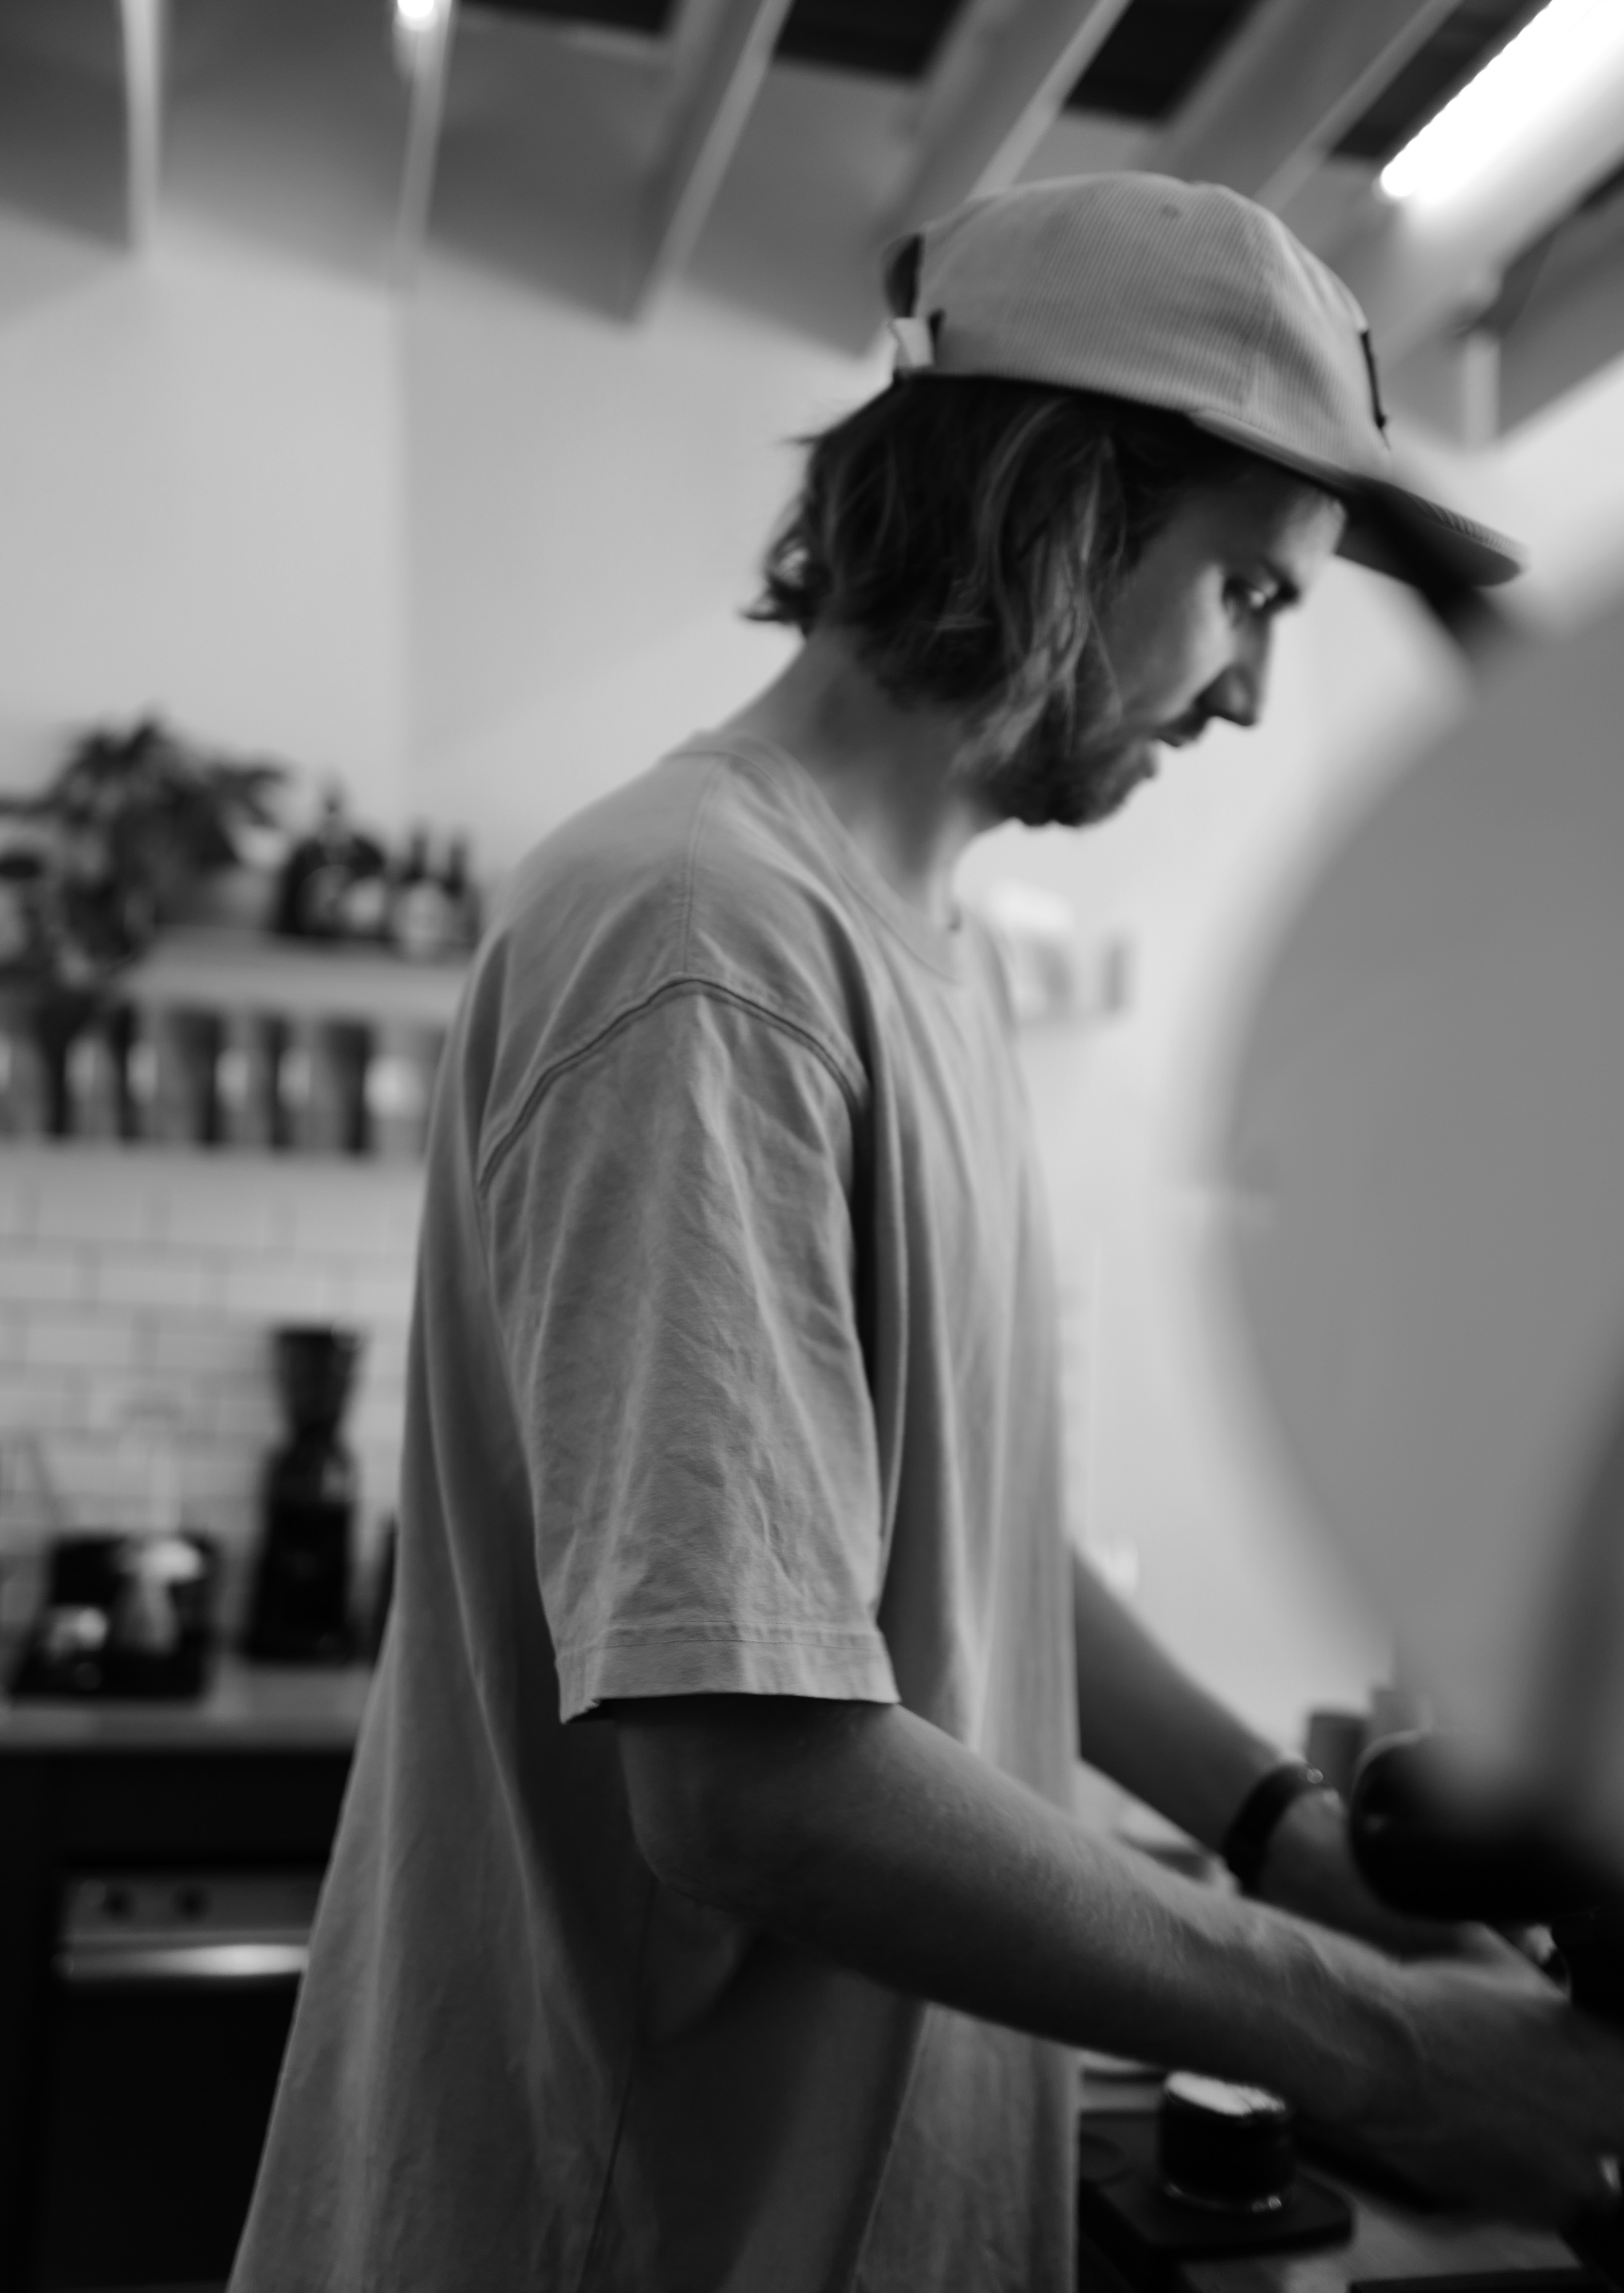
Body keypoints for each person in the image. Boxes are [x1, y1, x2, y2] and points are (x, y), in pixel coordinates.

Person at [230, 176, 1624, 2293]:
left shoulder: (917, 952)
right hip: (625, 2228)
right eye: (1247, 591)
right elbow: (748, 1786)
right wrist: (1395, 2053)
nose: (1249, 690)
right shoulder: (702, 940)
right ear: (1058, 524)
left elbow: (957, 1525)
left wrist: (1291, 1839)